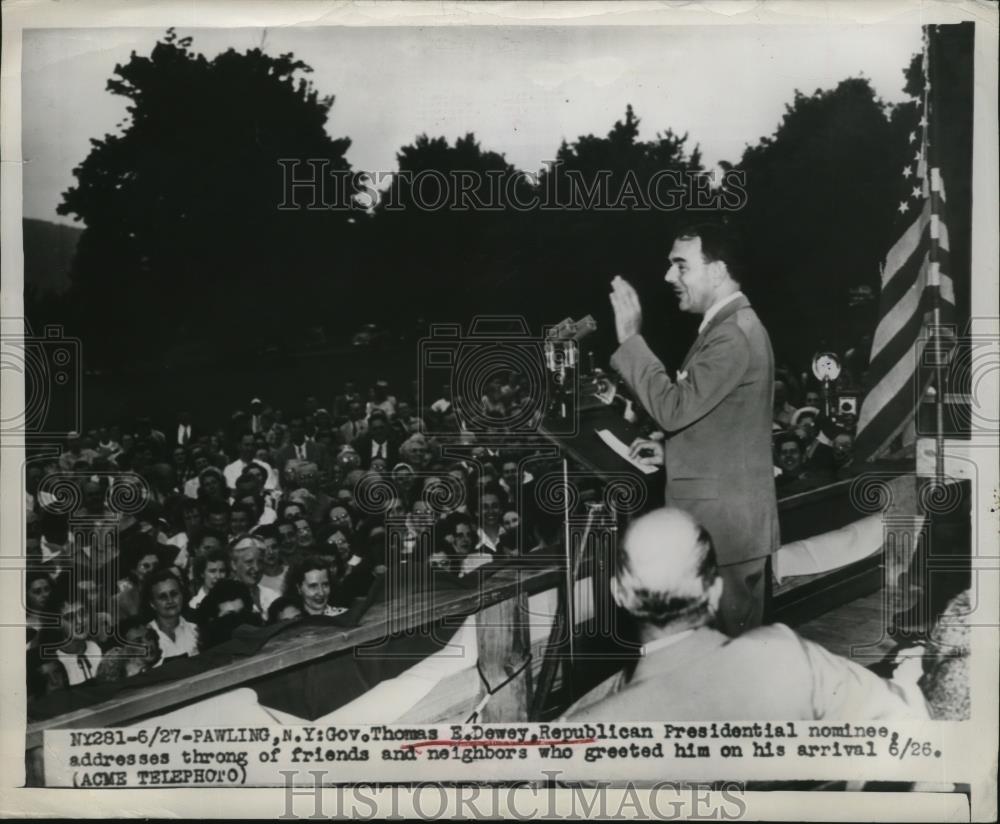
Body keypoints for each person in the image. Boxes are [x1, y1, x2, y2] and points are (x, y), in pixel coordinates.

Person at [564, 508, 928, 721]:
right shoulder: (787, 653)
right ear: (715, 588)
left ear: (619, 596)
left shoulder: (587, 730)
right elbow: (905, 718)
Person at [609, 223, 779, 635]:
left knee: (726, 666)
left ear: (717, 271)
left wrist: (630, 338)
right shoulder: (730, 328)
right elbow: (727, 425)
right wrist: (674, 453)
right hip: (728, 526)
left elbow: (671, 409)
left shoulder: (731, 336)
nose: (670, 277)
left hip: (724, 533)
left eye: (681, 266)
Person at [143, 569, 199, 664]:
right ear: (152, 603)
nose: (170, 601)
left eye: (174, 594)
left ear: (182, 595)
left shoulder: (195, 631)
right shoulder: (145, 638)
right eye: (162, 597)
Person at [283, 556, 348, 617]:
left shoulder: (344, 615)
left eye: (325, 585)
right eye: (313, 586)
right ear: (299, 588)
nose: (321, 593)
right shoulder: (291, 621)